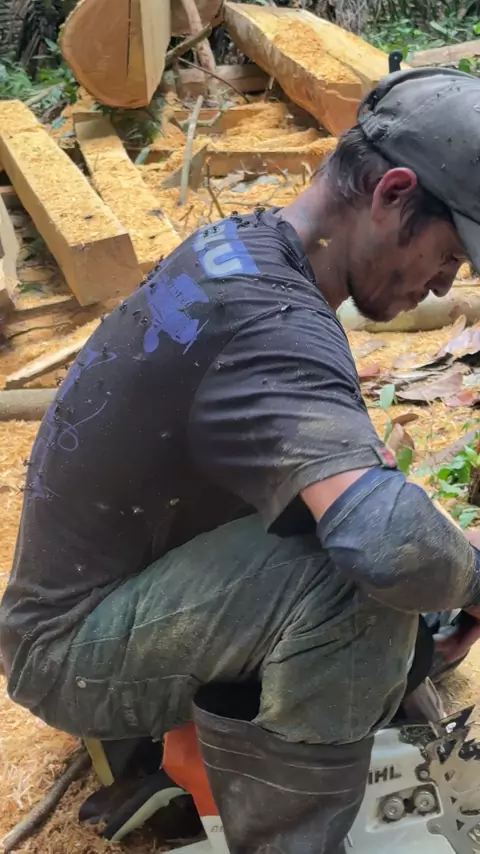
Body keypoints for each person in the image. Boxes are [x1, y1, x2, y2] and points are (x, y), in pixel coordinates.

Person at [2, 66, 480, 853]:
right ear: (394, 195)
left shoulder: (246, 251)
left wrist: (427, 604)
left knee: (385, 550)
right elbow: (385, 545)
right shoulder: (271, 318)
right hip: (69, 651)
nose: (442, 287)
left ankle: (215, 741)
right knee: (356, 582)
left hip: (117, 594)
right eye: (448, 255)